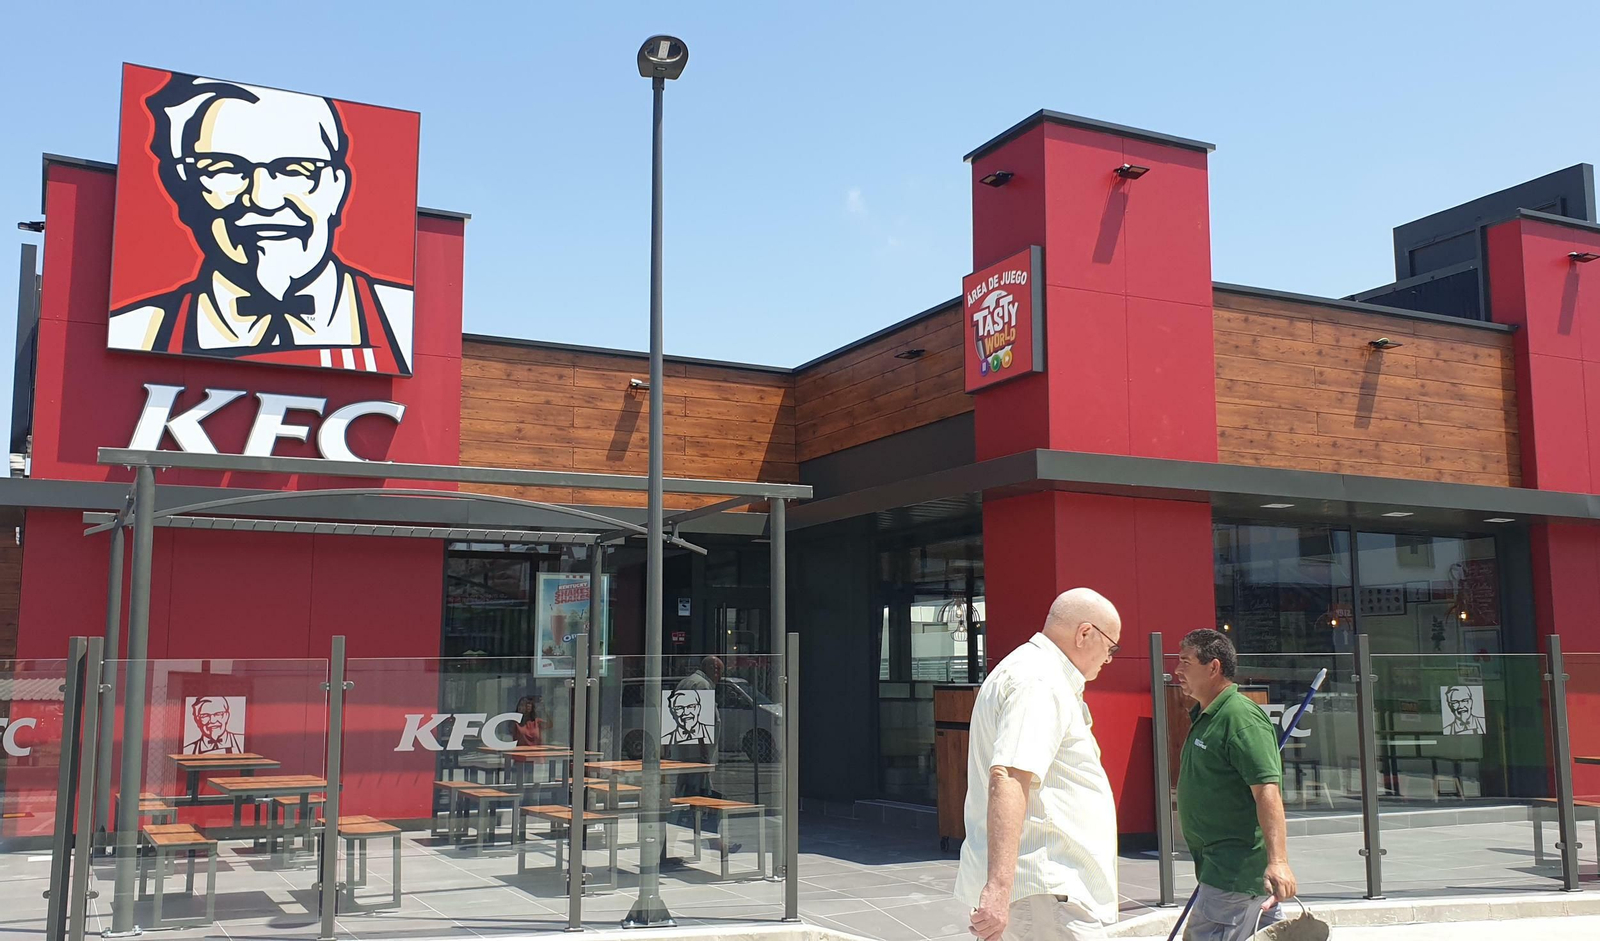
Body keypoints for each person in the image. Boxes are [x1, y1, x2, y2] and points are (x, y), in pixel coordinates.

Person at [108, 71, 413, 375]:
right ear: (183, 188)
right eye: (225, 168)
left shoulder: (404, 322)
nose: (264, 199)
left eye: (295, 169)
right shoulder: (136, 332)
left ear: (337, 187)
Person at [957, 588, 1123, 941]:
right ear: (1085, 633)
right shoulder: (1040, 680)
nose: (1109, 659)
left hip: (1045, 890)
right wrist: (999, 888)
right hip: (1044, 888)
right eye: (1111, 647)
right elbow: (1010, 776)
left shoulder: (1037, 674)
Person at [1172, 630, 1297, 941]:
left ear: (1213, 667)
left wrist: (1278, 862)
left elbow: (1267, 792)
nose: (1177, 671)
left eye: (1186, 662)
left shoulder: (1240, 718)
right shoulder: (1206, 714)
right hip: (1217, 870)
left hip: (1235, 874)